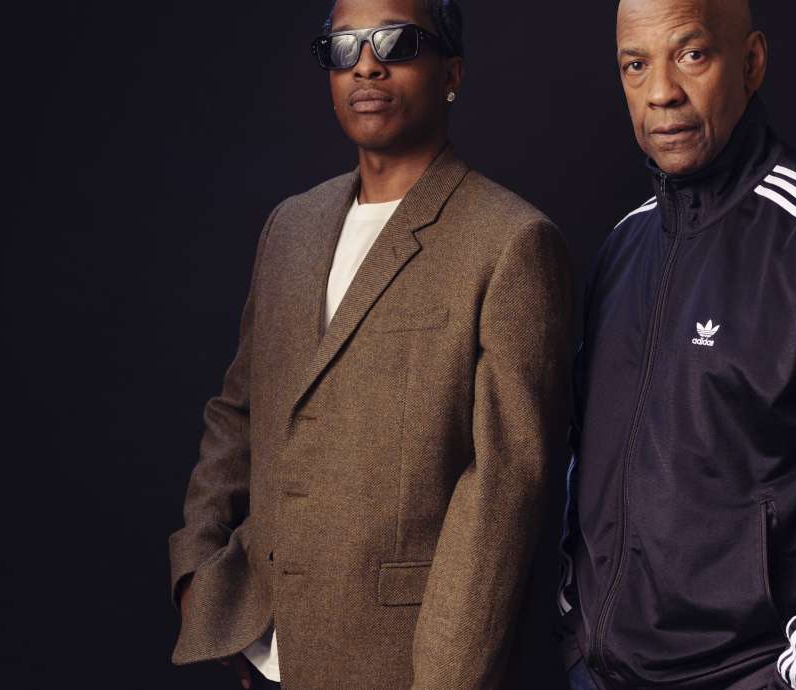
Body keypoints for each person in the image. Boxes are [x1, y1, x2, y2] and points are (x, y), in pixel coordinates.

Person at [167, 0, 574, 687]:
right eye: (344, 46)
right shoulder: (290, 228)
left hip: (397, 662)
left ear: (452, 72)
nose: (365, 65)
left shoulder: (511, 242)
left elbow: (502, 495)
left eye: (396, 43)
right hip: (263, 648)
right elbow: (237, 413)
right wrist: (197, 576)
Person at [557, 1, 796, 688]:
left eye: (691, 55)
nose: (662, 91)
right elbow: (583, 461)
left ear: (752, 62)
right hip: (602, 675)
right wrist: (576, 632)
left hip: (747, 675)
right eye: (636, 65)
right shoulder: (624, 247)